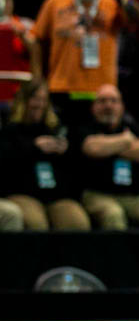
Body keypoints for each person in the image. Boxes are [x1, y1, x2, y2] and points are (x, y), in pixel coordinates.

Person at [31, 0, 139, 126]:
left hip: (101, 91)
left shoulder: (112, 2)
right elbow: (37, 39)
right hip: (62, 87)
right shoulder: (56, 1)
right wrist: (37, 76)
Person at [73, 84, 139, 230]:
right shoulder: (85, 127)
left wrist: (108, 147)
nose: (108, 105)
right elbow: (92, 148)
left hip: (136, 197)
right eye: (102, 101)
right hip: (98, 195)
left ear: (121, 106)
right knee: (113, 215)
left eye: (114, 101)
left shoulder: (131, 125)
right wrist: (126, 141)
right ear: (93, 106)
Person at [0, 80, 91, 231]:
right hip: (22, 193)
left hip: (56, 195)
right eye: (35, 98)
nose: (39, 104)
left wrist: (65, 151)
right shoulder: (10, 131)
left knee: (77, 223)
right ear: (24, 100)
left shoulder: (55, 129)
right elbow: (6, 164)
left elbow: (76, 166)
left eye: (43, 99)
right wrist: (34, 148)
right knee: (37, 224)